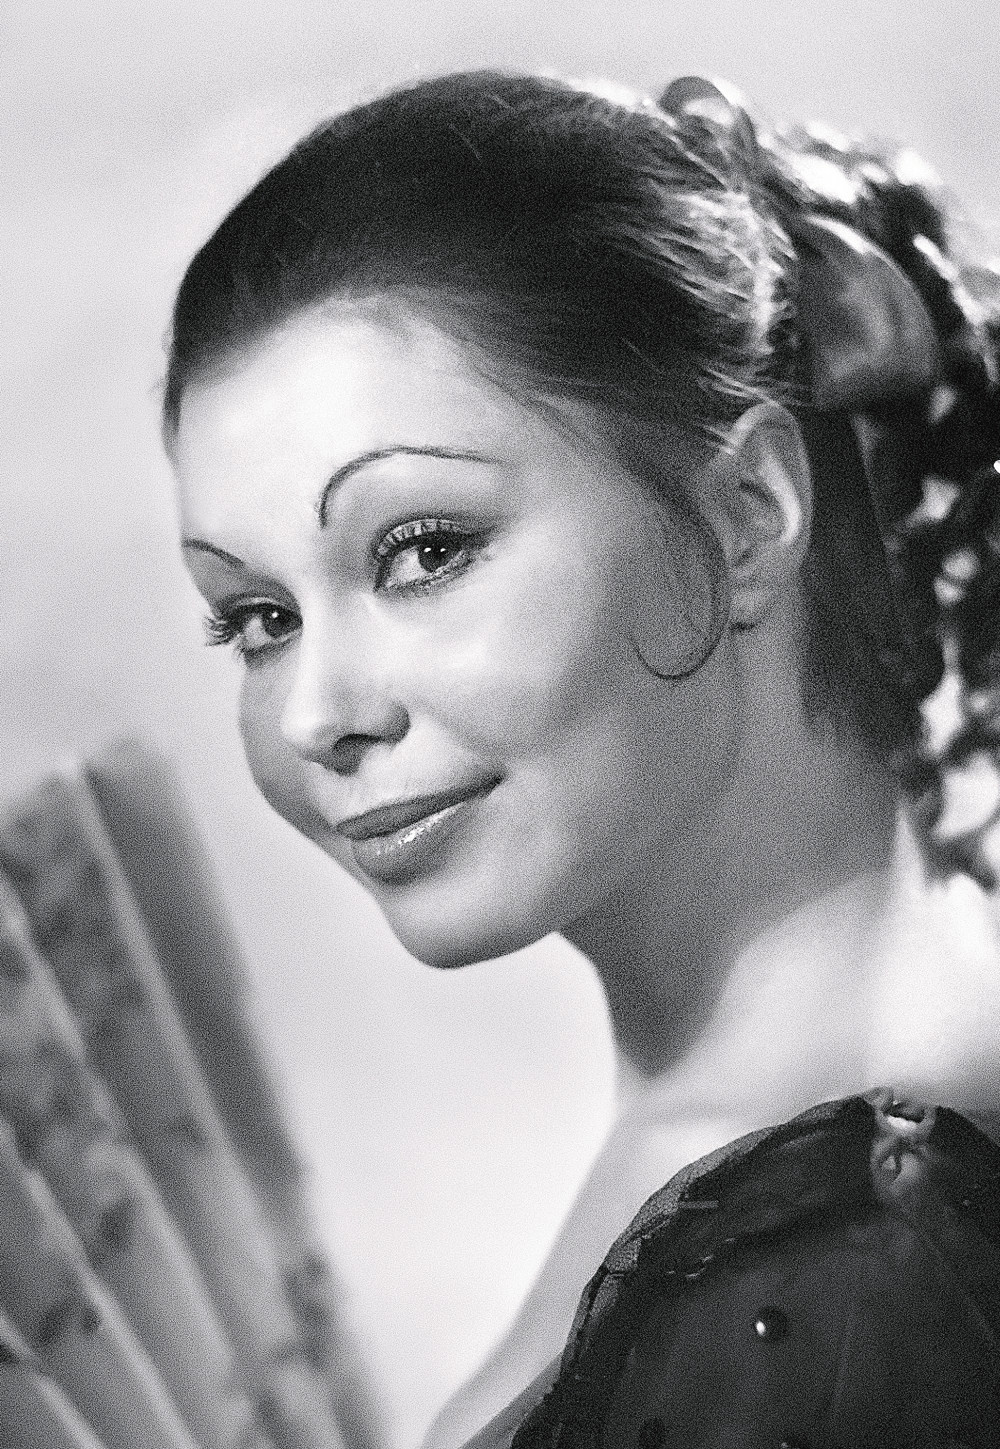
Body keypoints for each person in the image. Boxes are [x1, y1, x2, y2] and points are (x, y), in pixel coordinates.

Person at [162, 70, 1000, 1444]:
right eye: (257, 618)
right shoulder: (801, 1120)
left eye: (423, 550)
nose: (317, 713)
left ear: (746, 513)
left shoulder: (840, 1277)